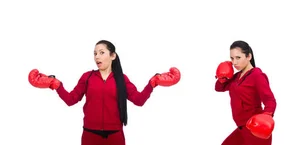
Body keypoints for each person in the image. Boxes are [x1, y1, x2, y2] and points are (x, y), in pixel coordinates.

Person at [28, 40, 181, 145]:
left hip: (115, 137)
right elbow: (71, 100)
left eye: (101, 52)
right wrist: (56, 85)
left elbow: (139, 100)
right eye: (95, 53)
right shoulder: (87, 77)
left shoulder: (122, 79)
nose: (97, 57)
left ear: (112, 56)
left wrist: (152, 83)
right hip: (89, 136)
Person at [215, 40, 277, 145]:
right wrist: (222, 78)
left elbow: (270, 100)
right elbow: (219, 88)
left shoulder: (257, 75)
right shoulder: (236, 77)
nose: (234, 62)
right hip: (242, 129)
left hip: (256, 130)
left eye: (238, 58)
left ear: (249, 56)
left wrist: (266, 116)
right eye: (232, 58)